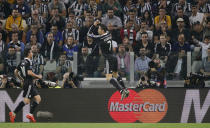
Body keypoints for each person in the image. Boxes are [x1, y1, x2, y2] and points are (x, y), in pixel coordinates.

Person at [87, 20, 129, 100]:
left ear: (102, 30)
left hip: (108, 59)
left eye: (99, 29)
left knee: (109, 77)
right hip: (114, 57)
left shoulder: (100, 37)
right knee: (116, 74)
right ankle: (125, 89)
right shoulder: (109, 34)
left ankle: (121, 91)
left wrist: (93, 25)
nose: (98, 30)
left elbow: (88, 34)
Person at [9, 48, 42, 123]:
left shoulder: (22, 61)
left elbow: (15, 71)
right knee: (26, 101)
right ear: (28, 53)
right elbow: (29, 72)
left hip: (27, 82)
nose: (32, 53)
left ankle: (30, 114)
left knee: (38, 98)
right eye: (31, 52)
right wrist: (38, 76)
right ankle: (13, 113)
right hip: (29, 83)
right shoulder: (29, 61)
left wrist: (21, 78)